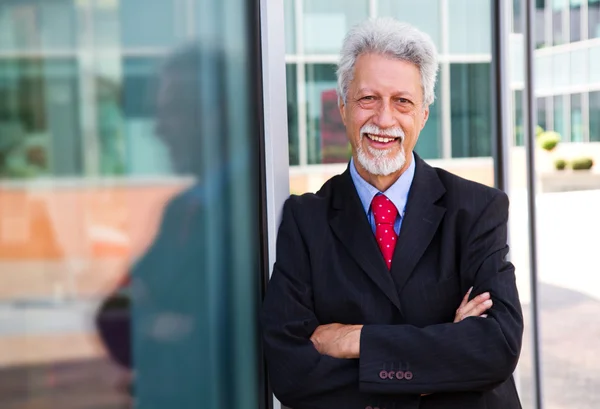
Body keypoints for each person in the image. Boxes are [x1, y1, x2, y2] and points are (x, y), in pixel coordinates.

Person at [261, 18, 524, 409]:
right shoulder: (305, 220)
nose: (384, 119)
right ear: (343, 106)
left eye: (402, 101)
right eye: (369, 98)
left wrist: (356, 341)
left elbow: (496, 347)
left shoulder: (477, 209)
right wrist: (442, 360)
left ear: (423, 114)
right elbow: (291, 370)